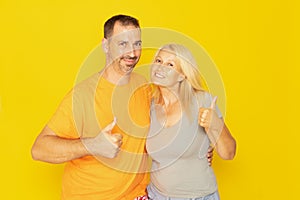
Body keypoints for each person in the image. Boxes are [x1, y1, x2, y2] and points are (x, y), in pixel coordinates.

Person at [31, 15, 214, 200]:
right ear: (105, 45)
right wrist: (93, 145)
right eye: (123, 44)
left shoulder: (144, 87)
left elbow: (169, 122)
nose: (133, 53)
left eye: (137, 43)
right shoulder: (82, 96)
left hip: (137, 195)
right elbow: (39, 149)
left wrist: (197, 147)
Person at [145, 44, 236, 200]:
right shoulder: (149, 105)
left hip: (198, 197)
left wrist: (215, 124)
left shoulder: (202, 100)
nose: (160, 67)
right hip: (156, 195)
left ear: (182, 75)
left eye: (170, 64)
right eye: (158, 61)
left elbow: (229, 153)